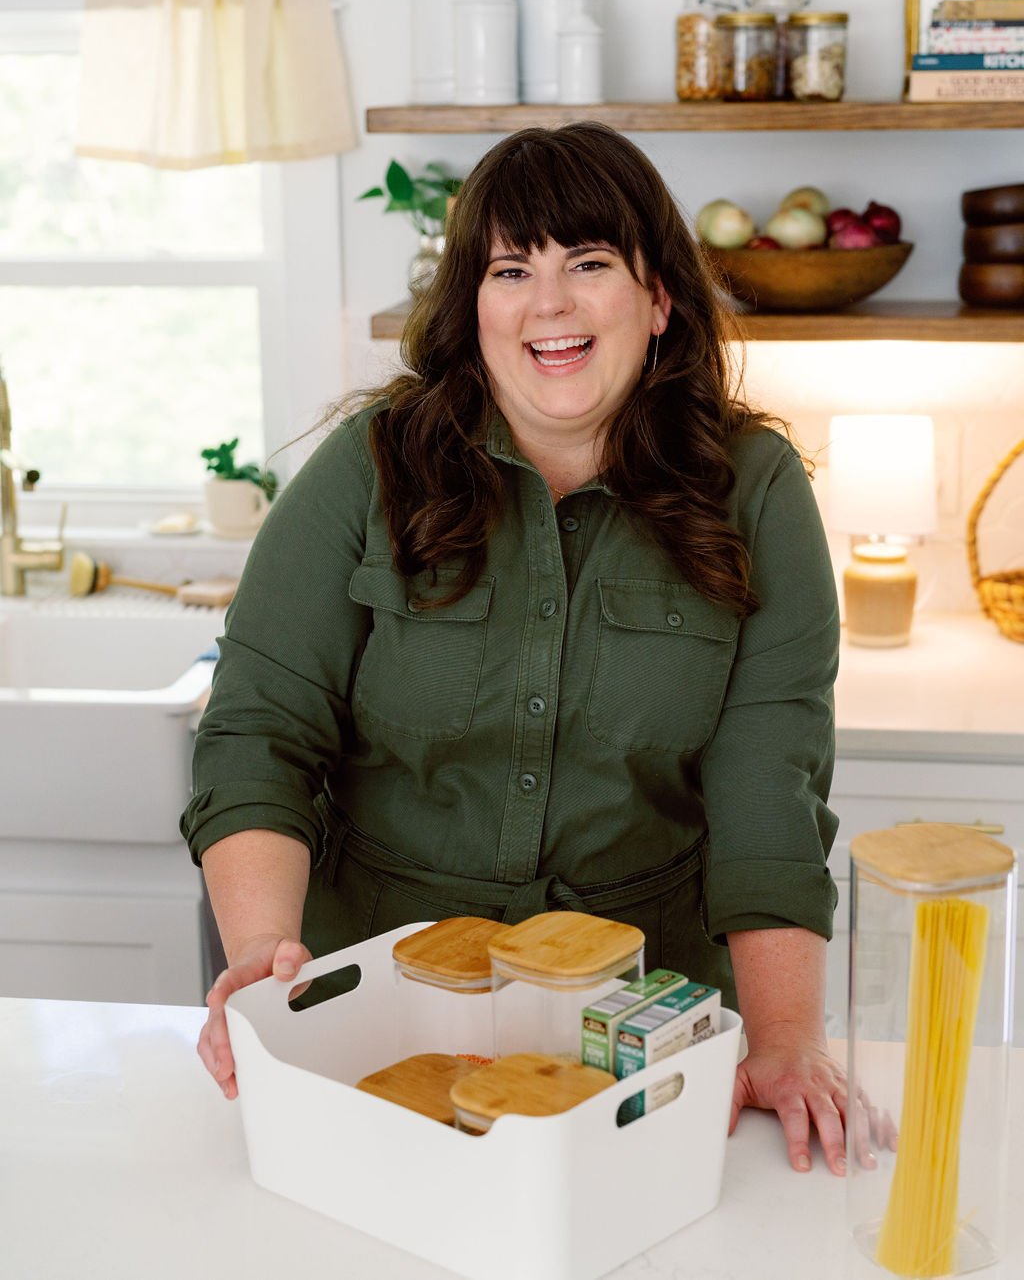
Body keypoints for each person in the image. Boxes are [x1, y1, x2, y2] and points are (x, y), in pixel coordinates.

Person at [181, 121, 847, 1175]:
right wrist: (265, 953)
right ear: (472, 308)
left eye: (588, 263)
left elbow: (770, 785)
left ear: (659, 298)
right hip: (377, 1017)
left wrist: (782, 1041)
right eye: (510, 269)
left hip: (636, 1031)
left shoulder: (754, 488)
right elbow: (261, 727)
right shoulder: (370, 469)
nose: (550, 303)